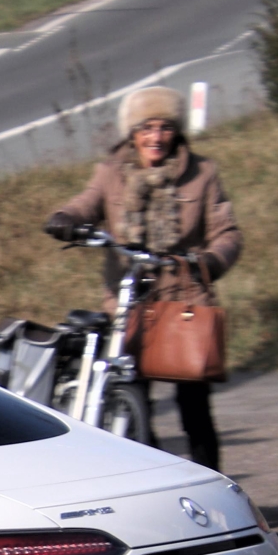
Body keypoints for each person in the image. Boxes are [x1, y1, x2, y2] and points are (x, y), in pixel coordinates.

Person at [43, 85, 241, 470]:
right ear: (131, 132)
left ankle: (216, 487)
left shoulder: (202, 174)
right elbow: (87, 202)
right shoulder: (111, 172)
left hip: (185, 301)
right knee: (133, 402)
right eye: (146, 127)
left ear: (177, 131)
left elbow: (227, 231)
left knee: (193, 407)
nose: (156, 137)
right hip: (128, 304)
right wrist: (66, 219)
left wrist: (211, 260)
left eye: (165, 127)